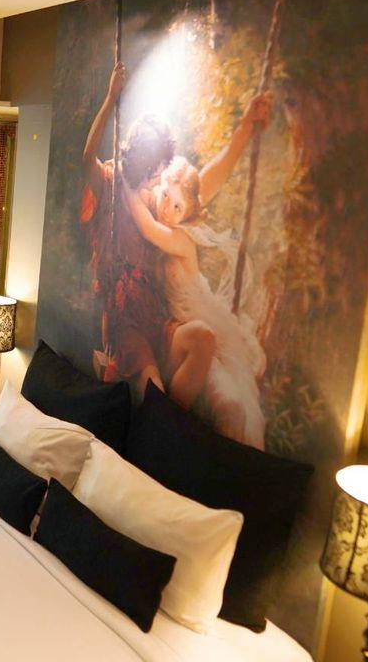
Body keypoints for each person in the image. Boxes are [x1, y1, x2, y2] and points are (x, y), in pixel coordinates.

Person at [119, 90, 274, 448]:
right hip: (181, 327)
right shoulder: (157, 198)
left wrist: (244, 130)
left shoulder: (177, 233)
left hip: (204, 320)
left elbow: (203, 184)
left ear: (187, 212)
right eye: (166, 197)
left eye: (178, 207)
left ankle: (187, 445)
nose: (169, 208)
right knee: (225, 400)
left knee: (232, 404)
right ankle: (167, 437)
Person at [80, 61, 175, 393]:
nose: (155, 173)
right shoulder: (111, 180)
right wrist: (110, 99)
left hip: (154, 307)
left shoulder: (155, 197)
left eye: (158, 165)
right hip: (124, 310)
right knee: (149, 380)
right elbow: (87, 157)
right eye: (151, 163)